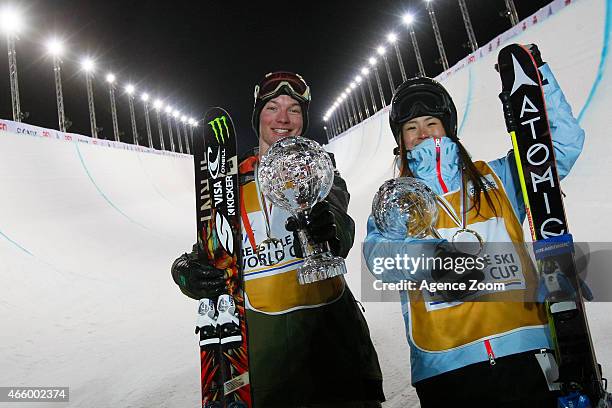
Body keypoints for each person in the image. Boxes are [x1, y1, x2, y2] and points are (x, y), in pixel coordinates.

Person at [364, 45, 584, 407]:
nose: (423, 134)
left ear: (448, 128)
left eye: (431, 123)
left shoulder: (497, 178)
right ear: (399, 140)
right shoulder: (396, 200)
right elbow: (381, 260)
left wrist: (535, 79)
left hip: (525, 353)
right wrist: (435, 260)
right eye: (411, 127)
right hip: (446, 369)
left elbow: (557, 148)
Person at [172, 71, 385, 407]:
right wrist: (186, 272)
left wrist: (329, 229)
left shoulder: (319, 169)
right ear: (258, 117)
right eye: (273, 107)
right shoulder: (231, 185)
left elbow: (339, 225)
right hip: (266, 373)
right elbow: (211, 250)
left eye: (295, 110)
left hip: (336, 362)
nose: (283, 119)